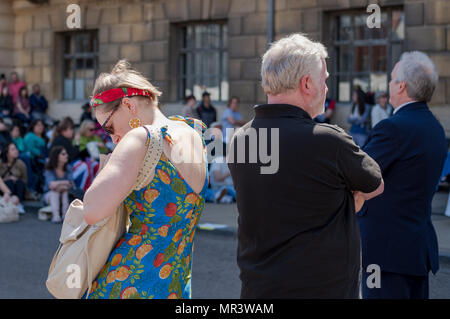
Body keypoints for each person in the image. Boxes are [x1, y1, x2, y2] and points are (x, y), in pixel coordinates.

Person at [227, 33, 384, 299]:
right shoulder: (328, 140)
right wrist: (351, 200)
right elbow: (376, 184)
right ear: (307, 84)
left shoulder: (241, 138)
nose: (326, 88)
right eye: (324, 81)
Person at [82, 60, 208, 299]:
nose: (113, 138)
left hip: (132, 283)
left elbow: (91, 210)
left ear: (129, 105)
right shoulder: (194, 131)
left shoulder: (141, 138)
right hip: (176, 283)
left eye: (108, 127)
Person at [358, 51, 447, 299]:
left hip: (387, 255)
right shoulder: (435, 128)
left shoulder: (393, 128)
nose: (388, 83)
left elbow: (355, 173)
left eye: (392, 78)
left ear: (401, 86)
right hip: (417, 250)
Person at [50, 117, 90, 191]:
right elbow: (72, 156)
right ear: (64, 130)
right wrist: (77, 142)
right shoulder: (61, 140)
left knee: (86, 164)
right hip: (60, 168)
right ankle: (80, 191)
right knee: (84, 166)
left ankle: (80, 190)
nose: (72, 132)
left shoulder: (62, 139)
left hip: (65, 165)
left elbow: (73, 154)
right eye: (71, 129)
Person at [43, 146, 74, 223]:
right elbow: (51, 185)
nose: (66, 155)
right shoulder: (49, 168)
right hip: (49, 196)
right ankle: (56, 216)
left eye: (66, 153)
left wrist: (62, 186)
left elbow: (71, 184)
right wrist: (64, 183)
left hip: (64, 194)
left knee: (64, 191)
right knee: (55, 192)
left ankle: (65, 216)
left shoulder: (68, 168)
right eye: (63, 154)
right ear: (56, 156)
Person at [0, 142, 27, 214]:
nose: (16, 151)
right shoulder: (1, 163)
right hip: (5, 188)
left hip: (18, 188)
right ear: (7, 152)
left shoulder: (21, 163)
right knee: (9, 182)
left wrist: (16, 179)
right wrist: (7, 179)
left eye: (16, 149)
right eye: (13, 149)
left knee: (19, 182)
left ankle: (18, 202)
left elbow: (25, 179)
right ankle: (14, 202)